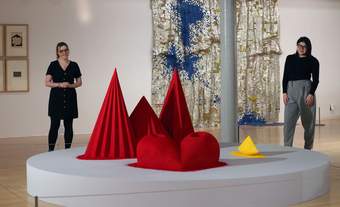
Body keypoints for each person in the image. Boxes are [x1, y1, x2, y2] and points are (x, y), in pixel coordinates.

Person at [282, 36, 319, 150]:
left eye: (304, 46)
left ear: (308, 48)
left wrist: (311, 94)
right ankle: (287, 148)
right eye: (299, 45)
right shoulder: (289, 59)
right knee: (288, 122)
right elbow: (285, 77)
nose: (301, 48)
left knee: (308, 123)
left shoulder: (313, 61)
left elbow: (316, 80)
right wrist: (284, 92)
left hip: (306, 91)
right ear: (297, 46)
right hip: (291, 90)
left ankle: (308, 149)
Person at [45, 42, 82, 151]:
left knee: (69, 125)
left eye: (66, 50)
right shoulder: (53, 65)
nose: (64, 52)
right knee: (54, 125)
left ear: (68, 50)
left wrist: (70, 85)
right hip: (56, 99)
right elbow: (47, 82)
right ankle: (50, 150)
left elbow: (79, 82)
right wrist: (59, 84)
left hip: (70, 98)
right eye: (61, 51)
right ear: (58, 52)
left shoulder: (74, 65)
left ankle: (67, 149)